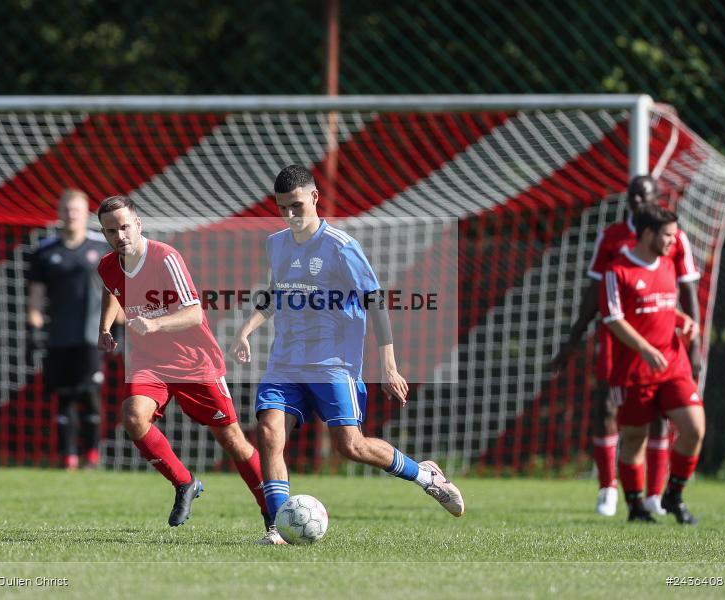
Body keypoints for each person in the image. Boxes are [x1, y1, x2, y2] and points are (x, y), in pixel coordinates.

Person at [231, 165, 464, 545]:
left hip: (334, 365)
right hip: (285, 363)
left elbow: (376, 303)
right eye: (282, 208)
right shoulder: (276, 243)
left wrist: (389, 364)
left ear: (315, 198)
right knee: (271, 435)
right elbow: (276, 292)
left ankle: (427, 476)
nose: (289, 215)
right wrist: (245, 329)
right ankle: (276, 528)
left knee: (350, 446)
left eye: (296, 206)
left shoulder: (342, 247)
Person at [95, 195, 269, 531]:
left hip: (194, 362)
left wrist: (156, 323)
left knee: (232, 440)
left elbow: (194, 313)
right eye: (111, 230)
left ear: (138, 224)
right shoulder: (107, 265)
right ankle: (184, 482)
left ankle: (271, 509)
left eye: (124, 227)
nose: (120, 235)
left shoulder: (165, 257)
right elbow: (111, 289)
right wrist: (105, 327)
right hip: (149, 361)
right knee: (133, 416)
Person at [552, 175, 700, 517]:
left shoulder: (672, 238)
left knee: (672, 420)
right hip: (622, 343)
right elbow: (596, 293)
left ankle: (657, 495)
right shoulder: (614, 241)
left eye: (644, 197)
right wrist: (573, 338)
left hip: (666, 343)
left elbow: (683, 288)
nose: (638, 203)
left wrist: (692, 340)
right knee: (613, 413)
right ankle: (610, 490)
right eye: (633, 198)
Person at [599, 204, 704, 524]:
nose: (674, 241)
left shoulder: (669, 264)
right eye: (668, 235)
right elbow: (613, 318)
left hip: (673, 363)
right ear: (647, 234)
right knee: (634, 438)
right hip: (633, 370)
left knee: (694, 429)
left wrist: (683, 319)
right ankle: (635, 506)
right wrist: (643, 348)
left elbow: (662, 305)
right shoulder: (617, 271)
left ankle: (673, 495)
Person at [27, 189, 114, 470]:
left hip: (93, 336)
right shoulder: (45, 251)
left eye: (76, 210)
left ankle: (91, 455)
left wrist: (119, 329)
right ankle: (68, 457)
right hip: (59, 336)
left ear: (86, 213)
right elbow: (36, 298)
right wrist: (32, 330)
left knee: (89, 393)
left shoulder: (102, 247)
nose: (71, 215)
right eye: (66, 209)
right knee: (64, 396)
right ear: (59, 212)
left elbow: (118, 291)